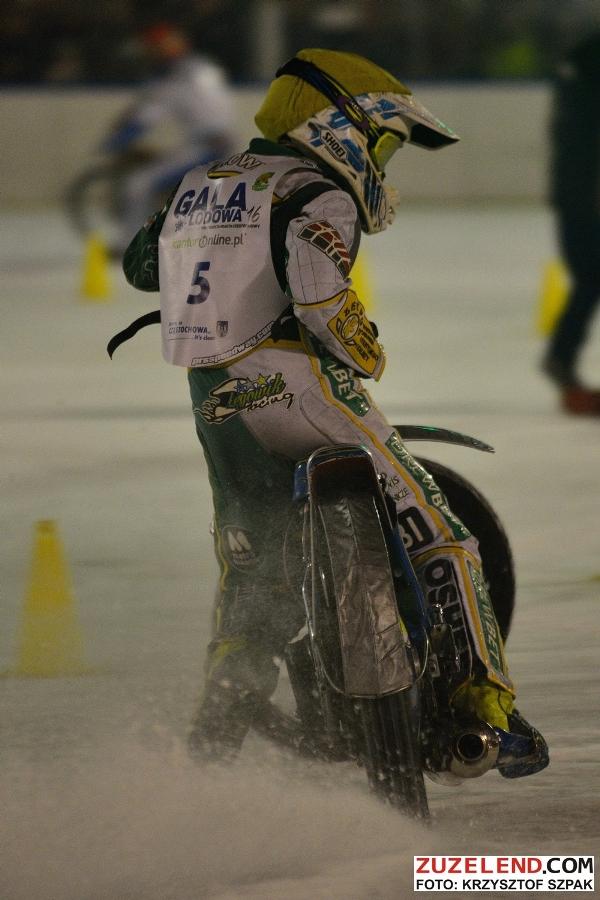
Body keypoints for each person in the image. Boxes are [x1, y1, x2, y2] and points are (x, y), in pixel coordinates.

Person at [114, 49, 547, 775]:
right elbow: (317, 293)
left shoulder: (199, 183)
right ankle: (486, 709)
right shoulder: (321, 192)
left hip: (214, 401)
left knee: (253, 574)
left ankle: (214, 736)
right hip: (298, 387)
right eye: (385, 144)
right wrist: (365, 348)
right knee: (442, 535)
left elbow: (139, 267)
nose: (383, 163)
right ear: (338, 126)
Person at [101, 22, 236, 253]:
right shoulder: (202, 66)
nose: (155, 51)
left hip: (206, 147)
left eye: (157, 46)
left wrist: (118, 141)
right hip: (220, 142)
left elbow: (145, 117)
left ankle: (130, 245)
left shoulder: (171, 78)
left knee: (138, 183)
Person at [543, 32, 600, 414]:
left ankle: (561, 358)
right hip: (586, 198)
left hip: (577, 196)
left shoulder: (577, 72)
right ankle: (561, 358)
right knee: (591, 277)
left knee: (590, 279)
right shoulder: (587, 79)